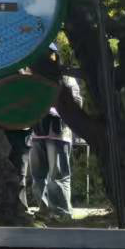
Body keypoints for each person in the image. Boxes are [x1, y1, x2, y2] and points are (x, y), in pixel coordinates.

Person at [27, 79, 79, 218]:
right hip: (36, 134)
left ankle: (61, 213)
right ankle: (44, 211)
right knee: (37, 177)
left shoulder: (67, 78)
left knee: (57, 176)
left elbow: (77, 103)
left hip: (59, 134)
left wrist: (52, 109)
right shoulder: (33, 78)